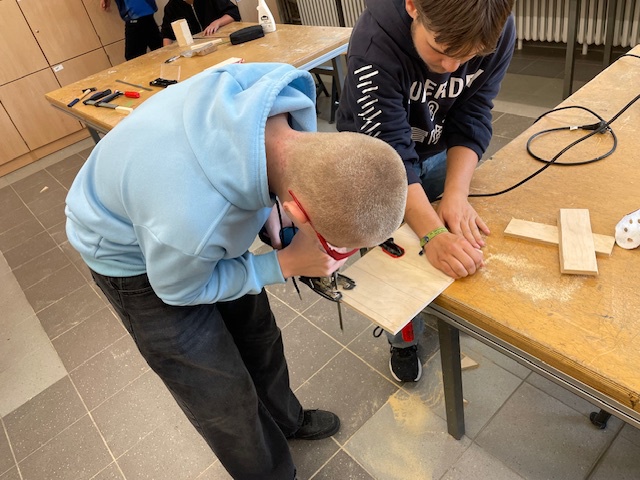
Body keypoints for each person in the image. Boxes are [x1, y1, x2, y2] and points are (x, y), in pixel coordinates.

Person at [65, 62, 407, 480]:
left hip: (182, 210)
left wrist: (269, 207)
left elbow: (260, 174)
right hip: (134, 258)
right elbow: (179, 290)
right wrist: (284, 263)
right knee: (222, 395)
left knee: (260, 338)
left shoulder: (275, 96)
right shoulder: (193, 222)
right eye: (333, 245)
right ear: (299, 211)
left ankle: (285, 420)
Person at [336, 0, 516, 382]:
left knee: (449, 236)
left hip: (434, 148)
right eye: (440, 49)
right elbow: (389, 155)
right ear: (413, 6)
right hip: (374, 160)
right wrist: (431, 233)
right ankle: (403, 340)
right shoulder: (375, 44)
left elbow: (474, 111)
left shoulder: (493, 28)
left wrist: (456, 195)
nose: (452, 67)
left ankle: (437, 303)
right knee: (394, 257)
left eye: (468, 57)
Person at [161, 0, 241, 46]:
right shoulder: (171, 7)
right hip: (194, 49)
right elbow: (167, 35)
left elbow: (234, 12)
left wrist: (217, 22)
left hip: (221, 42)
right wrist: (168, 52)